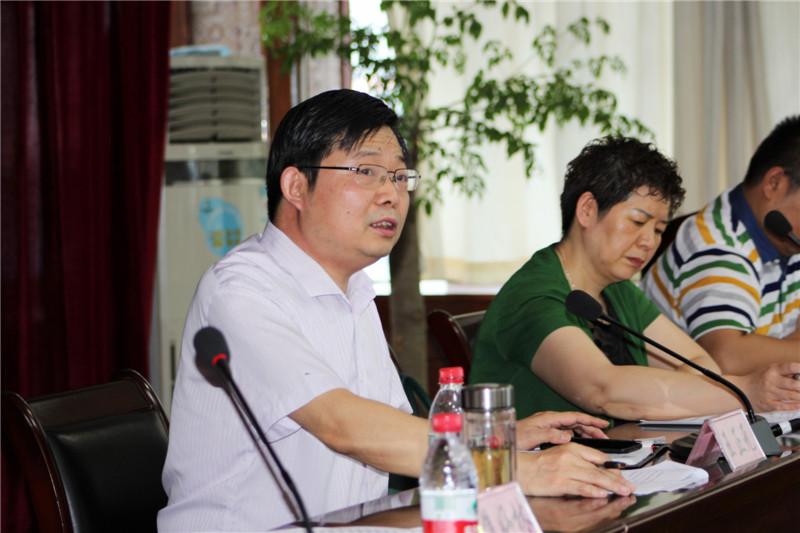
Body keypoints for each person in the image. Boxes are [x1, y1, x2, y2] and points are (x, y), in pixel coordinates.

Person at [158, 89, 634, 532]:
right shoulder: (240, 291)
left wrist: (500, 437)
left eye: (400, 177)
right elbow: (344, 425)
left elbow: (388, 426)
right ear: (296, 187)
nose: (392, 194)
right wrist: (515, 468)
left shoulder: (353, 291)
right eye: (366, 172)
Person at [469, 136, 800, 425]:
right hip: (525, 471)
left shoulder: (618, 290)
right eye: (638, 222)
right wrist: (746, 391)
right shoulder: (533, 296)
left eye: (658, 229)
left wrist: (653, 396)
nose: (649, 242)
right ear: (587, 210)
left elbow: (701, 363)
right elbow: (603, 389)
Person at [641, 116, 800, 374]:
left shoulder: (788, 240)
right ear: (774, 183)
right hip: (673, 398)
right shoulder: (716, 244)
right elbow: (728, 358)